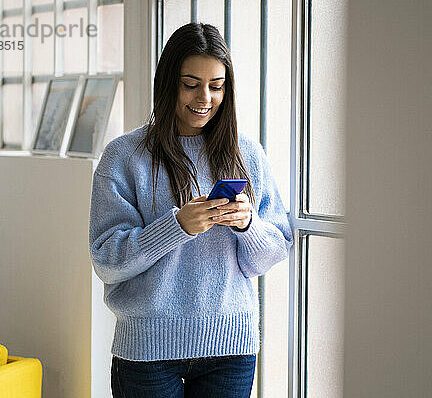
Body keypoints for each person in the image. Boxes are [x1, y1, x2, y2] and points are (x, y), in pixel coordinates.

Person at [89, 23, 292, 398]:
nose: (205, 97)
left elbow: (274, 250)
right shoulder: (123, 157)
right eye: (191, 83)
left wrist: (249, 224)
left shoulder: (248, 155)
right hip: (148, 351)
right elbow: (106, 260)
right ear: (168, 83)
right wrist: (176, 226)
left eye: (217, 85)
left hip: (230, 350)